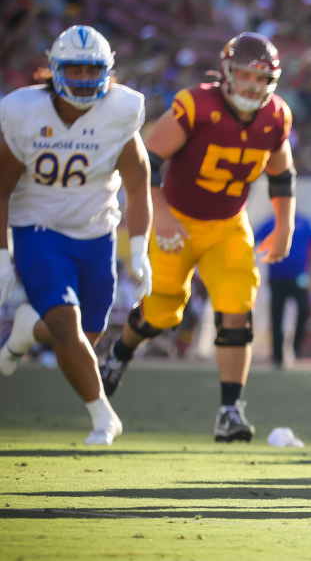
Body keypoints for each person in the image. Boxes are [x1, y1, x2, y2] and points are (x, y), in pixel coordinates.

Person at [97, 32, 298, 445]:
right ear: (226, 72)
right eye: (243, 75)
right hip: (178, 220)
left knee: (237, 307)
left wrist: (285, 226)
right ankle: (119, 353)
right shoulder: (196, 105)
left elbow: (282, 175)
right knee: (163, 312)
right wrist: (164, 216)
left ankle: (230, 411)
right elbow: (144, 165)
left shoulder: (276, 115)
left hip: (228, 224)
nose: (250, 86)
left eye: (260, 79)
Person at [0, 25, 152, 445]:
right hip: (38, 227)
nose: (85, 80)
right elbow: (1, 188)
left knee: (84, 335)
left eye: (93, 70)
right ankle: (104, 416)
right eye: (75, 70)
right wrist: (1, 255)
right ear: (54, 70)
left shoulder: (120, 111)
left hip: (96, 230)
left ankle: (29, 329)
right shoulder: (24, 112)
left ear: (108, 71)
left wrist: (138, 246)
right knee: (67, 325)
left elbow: (139, 183)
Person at [255, 213, 311, 369]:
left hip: (299, 278)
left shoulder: (304, 222)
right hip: (277, 277)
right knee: (277, 316)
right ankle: (277, 355)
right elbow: (255, 238)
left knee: (303, 309)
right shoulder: (271, 222)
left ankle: (296, 347)